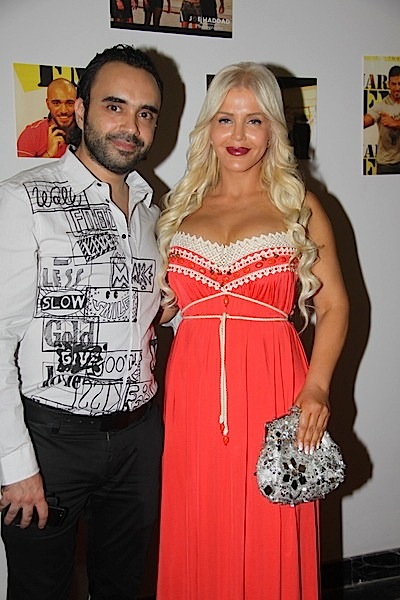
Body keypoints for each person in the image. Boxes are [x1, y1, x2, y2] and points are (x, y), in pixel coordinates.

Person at [156, 62, 349, 600]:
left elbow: (335, 305)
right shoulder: (180, 208)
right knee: (200, 520)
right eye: (225, 119)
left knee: (272, 523)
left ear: (273, 129)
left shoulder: (299, 207)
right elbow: (168, 306)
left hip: (275, 388)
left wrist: (317, 386)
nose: (238, 135)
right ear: (208, 127)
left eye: (254, 120)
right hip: (193, 395)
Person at [0, 44, 164, 600]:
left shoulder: (154, 212)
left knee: (123, 586)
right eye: (115, 106)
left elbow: (149, 313)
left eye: (145, 113)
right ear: (81, 109)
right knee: (39, 589)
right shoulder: (24, 199)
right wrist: (15, 464)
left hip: (139, 438)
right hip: (50, 441)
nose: (131, 127)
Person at [17, 77, 77, 158]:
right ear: (48, 104)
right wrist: (49, 154)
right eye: (56, 103)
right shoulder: (31, 135)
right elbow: (21, 166)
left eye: (69, 103)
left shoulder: (87, 133)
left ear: (77, 104)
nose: (63, 110)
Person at [364, 65, 400, 174]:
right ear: (388, 84)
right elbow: (366, 120)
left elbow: (395, 123)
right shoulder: (381, 106)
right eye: (394, 84)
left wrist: (395, 123)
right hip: (386, 164)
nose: (397, 88)